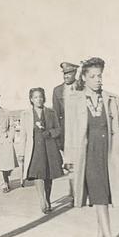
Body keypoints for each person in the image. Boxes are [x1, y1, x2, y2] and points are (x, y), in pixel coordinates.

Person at [63, 57, 119, 237]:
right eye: (93, 76)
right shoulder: (75, 100)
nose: (98, 80)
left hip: (109, 152)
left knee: (103, 196)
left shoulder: (112, 99)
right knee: (100, 196)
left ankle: (100, 236)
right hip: (88, 154)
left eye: (100, 76)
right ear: (84, 78)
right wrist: (69, 158)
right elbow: (70, 131)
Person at [20, 87, 63, 214]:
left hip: (49, 147)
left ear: (44, 98)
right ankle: (42, 199)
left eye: (40, 97)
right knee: (38, 174)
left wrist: (50, 133)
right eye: (35, 97)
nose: (39, 99)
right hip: (34, 148)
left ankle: (48, 198)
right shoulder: (25, 115)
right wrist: (21, 153)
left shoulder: (51, 113)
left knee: (48, 175)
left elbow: (58, 129)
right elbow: (23, 135)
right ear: (31, 100)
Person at [52, 61, 81, 201]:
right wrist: (58, 137)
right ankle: (74, 194)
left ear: (75, 73)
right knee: (70, 165)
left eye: (69, 73)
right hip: (67, 134)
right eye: (64, 74)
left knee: (82, 163)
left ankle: (82, 192)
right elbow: (56, 116)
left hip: (81, 132)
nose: (66, 76)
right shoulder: (57, 91)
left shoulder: (82, 88)